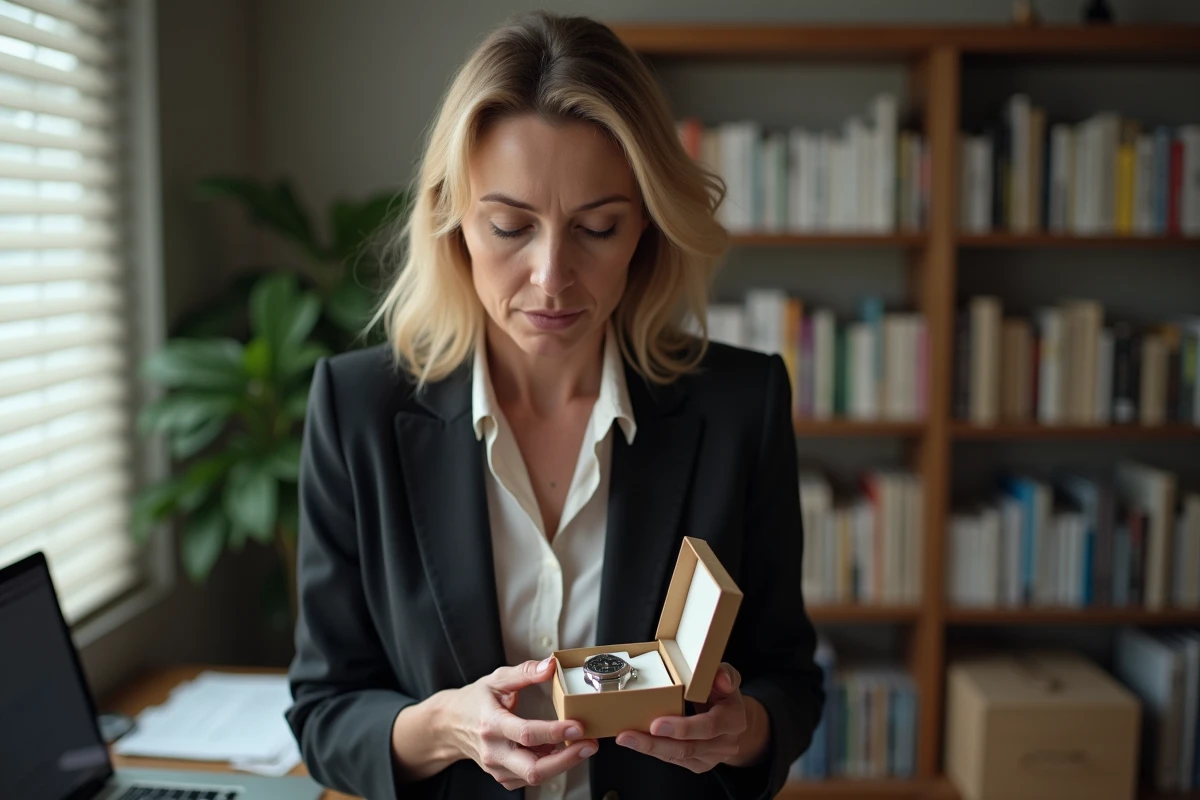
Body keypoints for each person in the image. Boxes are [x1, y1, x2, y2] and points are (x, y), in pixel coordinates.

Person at [285, 9, 824, 800]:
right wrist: (447, 728)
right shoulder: (356, 408)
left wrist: (742, 730)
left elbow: (790, 681)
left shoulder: (742, 406)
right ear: (453, 222)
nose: (551, 276)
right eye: (509, 226)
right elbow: (325, 711)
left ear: (646, 225)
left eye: (597, 228)